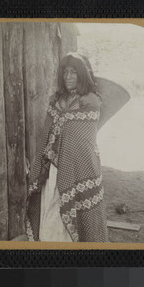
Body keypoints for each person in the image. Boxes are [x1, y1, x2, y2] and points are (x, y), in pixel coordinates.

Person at [25, 53, 107, 242]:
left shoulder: (90, 102)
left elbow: (82, 140)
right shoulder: (57, 101)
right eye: (65, 73)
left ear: (82, 75)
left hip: (79, 168)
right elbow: (46, 134)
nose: (68, 77)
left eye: (74, 73)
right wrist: (42, 161)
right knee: (52, 206)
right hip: (53, 169)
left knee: (75, 210)